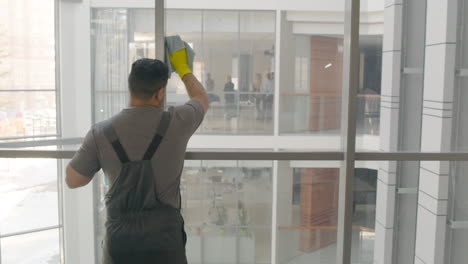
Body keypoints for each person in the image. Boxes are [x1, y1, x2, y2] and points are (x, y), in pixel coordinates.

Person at [65, 44, 209, 263]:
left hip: (120, 244)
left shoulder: (101, 132)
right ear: (160, 93)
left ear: (130, 87)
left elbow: (73, 180)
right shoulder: (178, 121)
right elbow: (201, 98)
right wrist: (183, 68)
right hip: (165, 242)